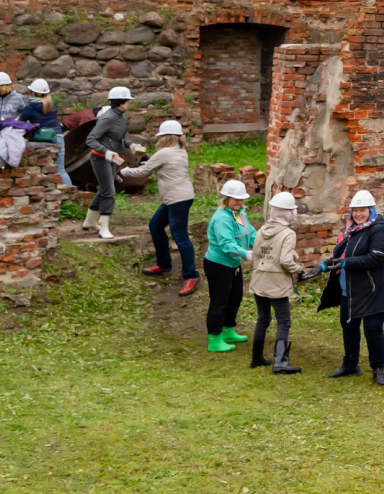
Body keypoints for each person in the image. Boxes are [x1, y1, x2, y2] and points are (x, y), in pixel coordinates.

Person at [318, 190, 384, 386]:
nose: (358, 214)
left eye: (363, 210)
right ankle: (350, 365)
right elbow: (342, 256)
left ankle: (378, 368)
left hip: (373, 289)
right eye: (355, 210)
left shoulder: (379, 229)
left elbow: (376, 256)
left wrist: (346, 264)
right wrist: (323, 266)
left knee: (373, 328)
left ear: (371, 210)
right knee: (349, 327)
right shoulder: (349, 231)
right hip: (350, 290)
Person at [124, 121, 200, 296]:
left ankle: (191, 275)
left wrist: (123, 171)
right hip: (177, 197)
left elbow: (142, 172)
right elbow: (154, 166)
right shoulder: (180, 151)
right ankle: (164, 264)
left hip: (177, 199)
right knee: (155, 226)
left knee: (180, 236)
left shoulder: (164, 153)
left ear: (164, 138)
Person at [249, 191, 307, 375]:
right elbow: (285, 261)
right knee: (283, 321)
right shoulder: (288, 233)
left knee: (263, 318)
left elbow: (258, 254)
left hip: (259, 278)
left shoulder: (262, 230)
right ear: (289, 213)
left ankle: (256, 357)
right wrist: (300, 270)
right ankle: (280, 361)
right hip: (276, 282)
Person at [204, 179, 255, 354]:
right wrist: (246, 253)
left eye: (241, 199)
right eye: (235, 199)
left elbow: (251, 233)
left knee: (235, 297)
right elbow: (226, 244)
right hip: (218, 264)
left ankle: (228, 330)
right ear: (226, 198)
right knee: (220, 301)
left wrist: (262, 243)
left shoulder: (240, 214)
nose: (239, 202)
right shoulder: (221, 218)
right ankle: (215, 338)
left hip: (233, 264)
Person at [83, 86, 138, 240]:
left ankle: (90, 221)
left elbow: (116, 138)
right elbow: (91, 139)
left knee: (104, 189)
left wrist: (129, 144)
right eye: (128, 100)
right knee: (109, 192)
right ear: (121, 102)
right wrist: (105, 151)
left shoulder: (122, 116)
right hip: (101, 158)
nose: (129, 103)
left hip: (113, 157)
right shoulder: (107, 118)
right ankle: (104, 228)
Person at [17, 79, 66, 185]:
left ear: (33, 93)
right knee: (61, 170)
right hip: (57, 136)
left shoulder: (30, 107)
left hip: (42, 140)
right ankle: (71, 197)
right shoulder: (52, 103)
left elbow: (21, 124)